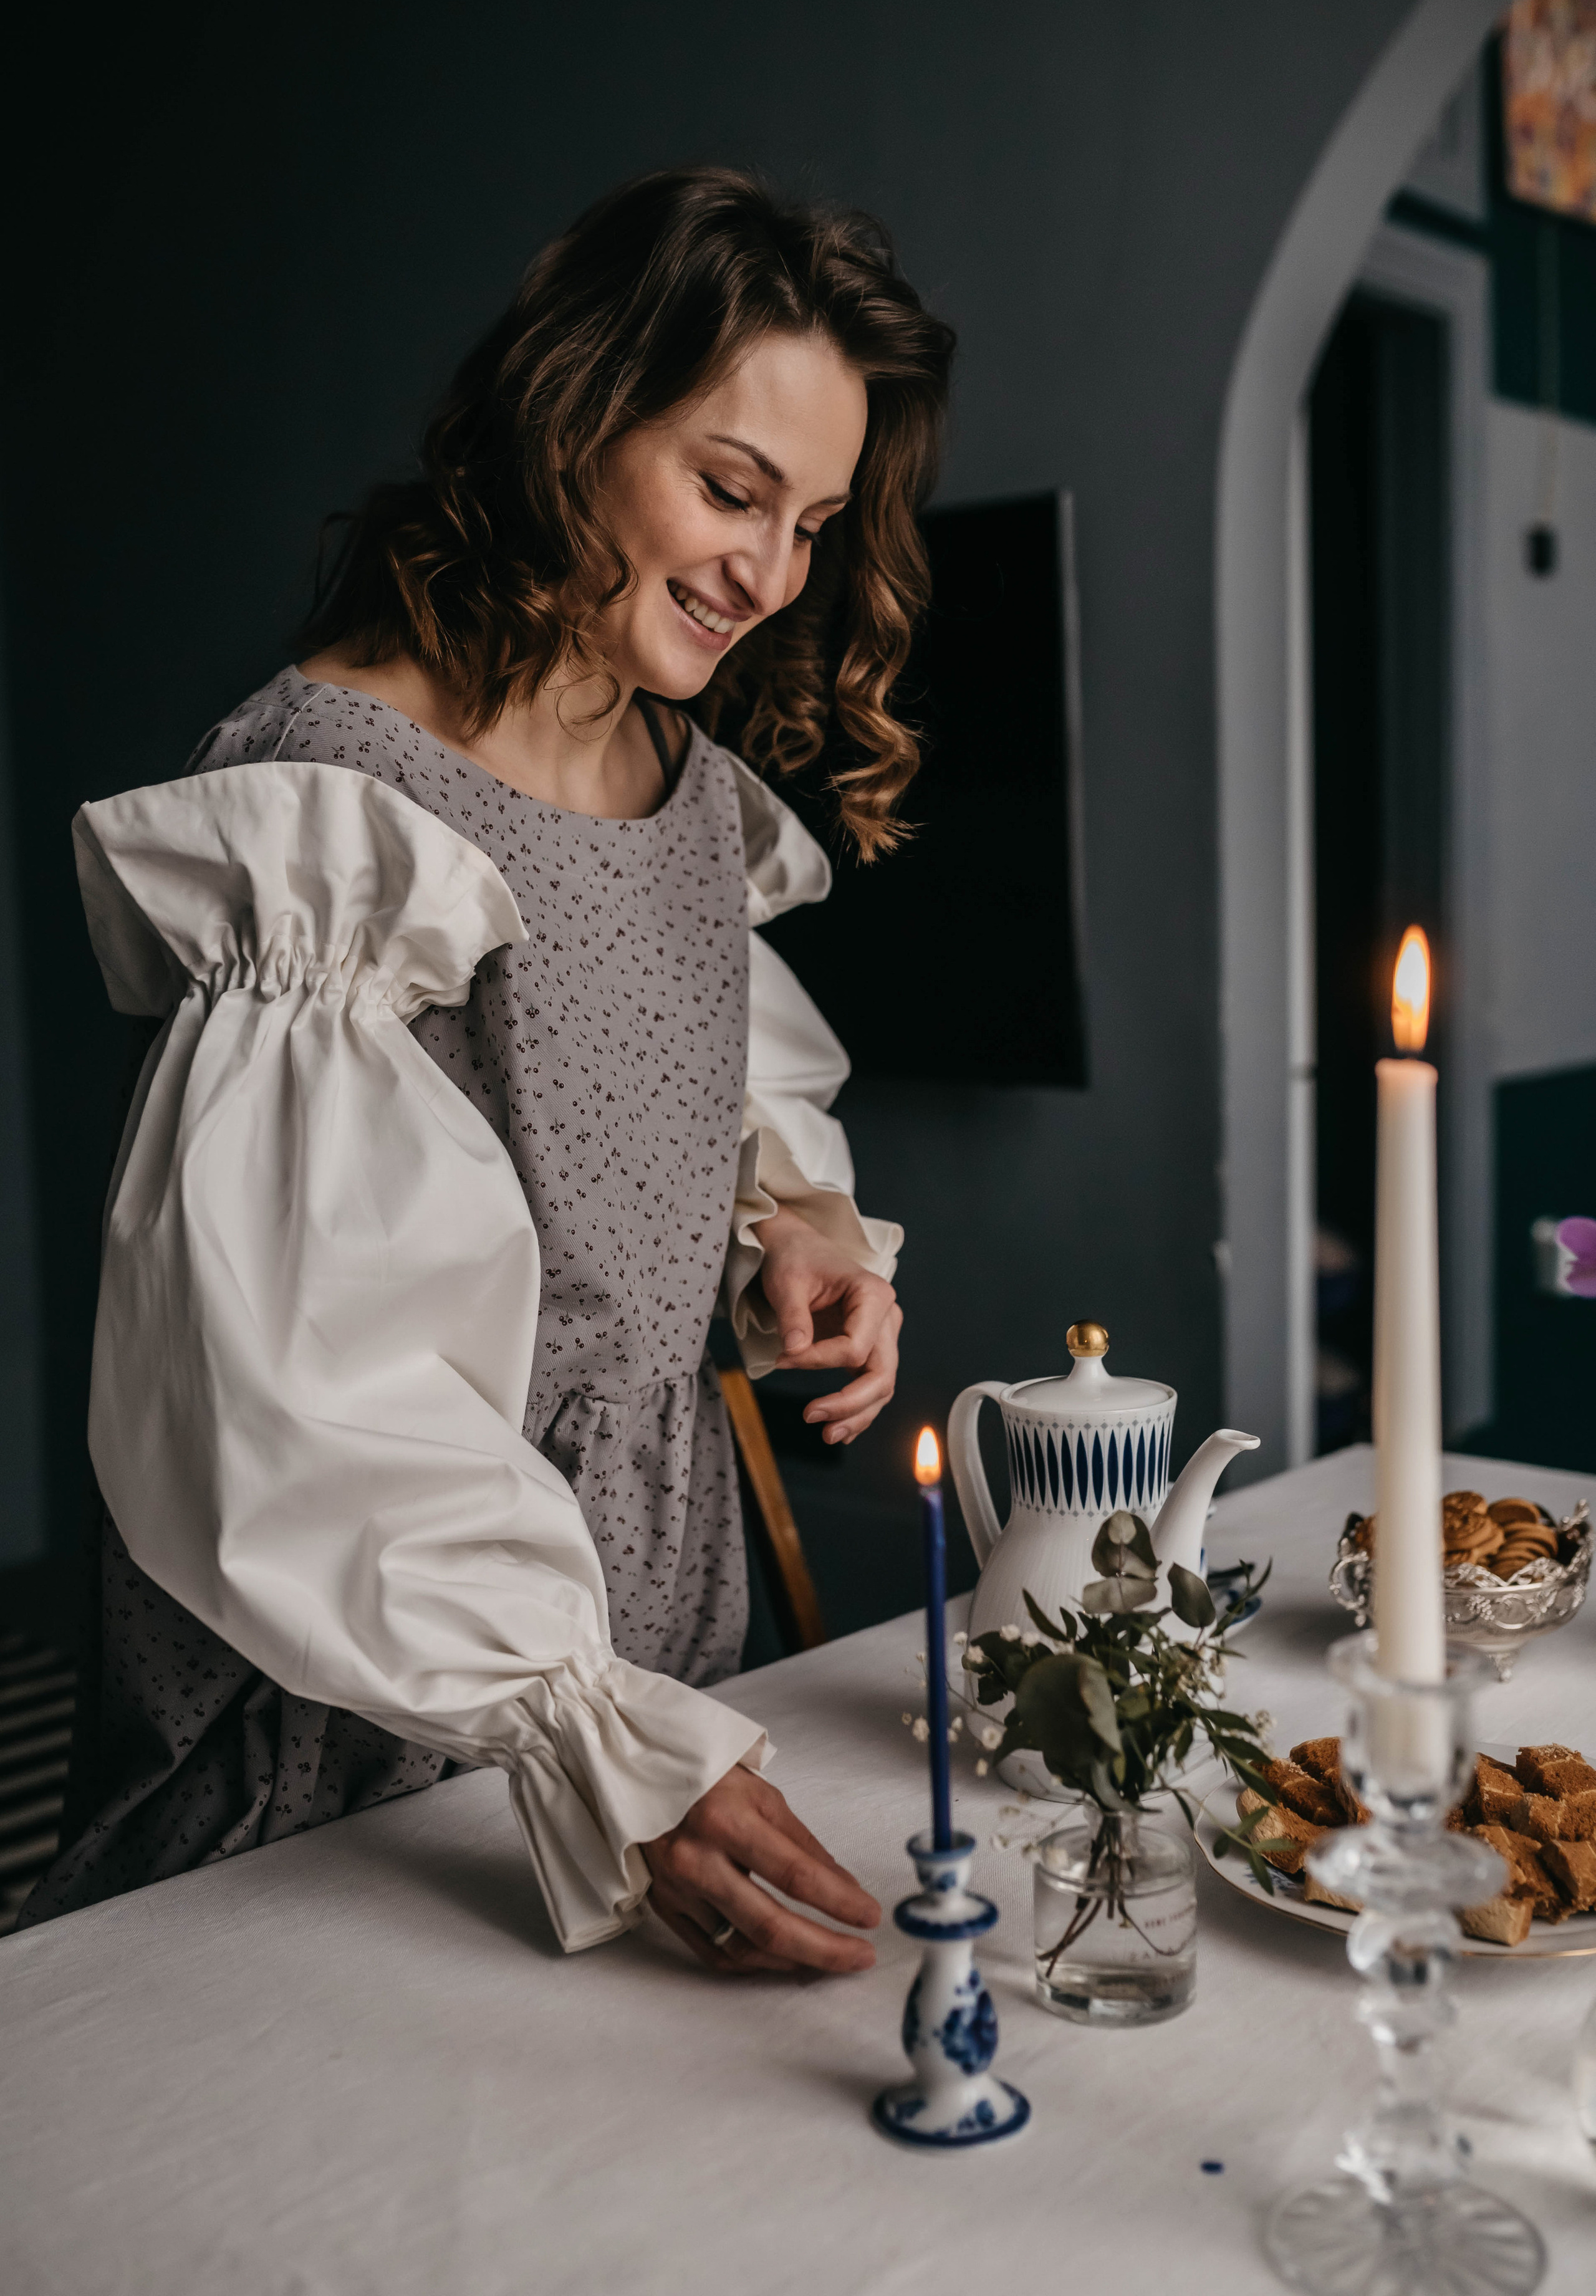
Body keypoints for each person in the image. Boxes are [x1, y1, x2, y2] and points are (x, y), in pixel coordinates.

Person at [22, 169, 954, 1975]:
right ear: (576, 413)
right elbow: (286, 1378)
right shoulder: (334, 812)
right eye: (729, 486)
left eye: (815, 522)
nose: (769, 574)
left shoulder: (694, 800)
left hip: (657, 1632)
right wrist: (569, 1730)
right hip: (394, 1709)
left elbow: (683, 1115)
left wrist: (796, 1227)